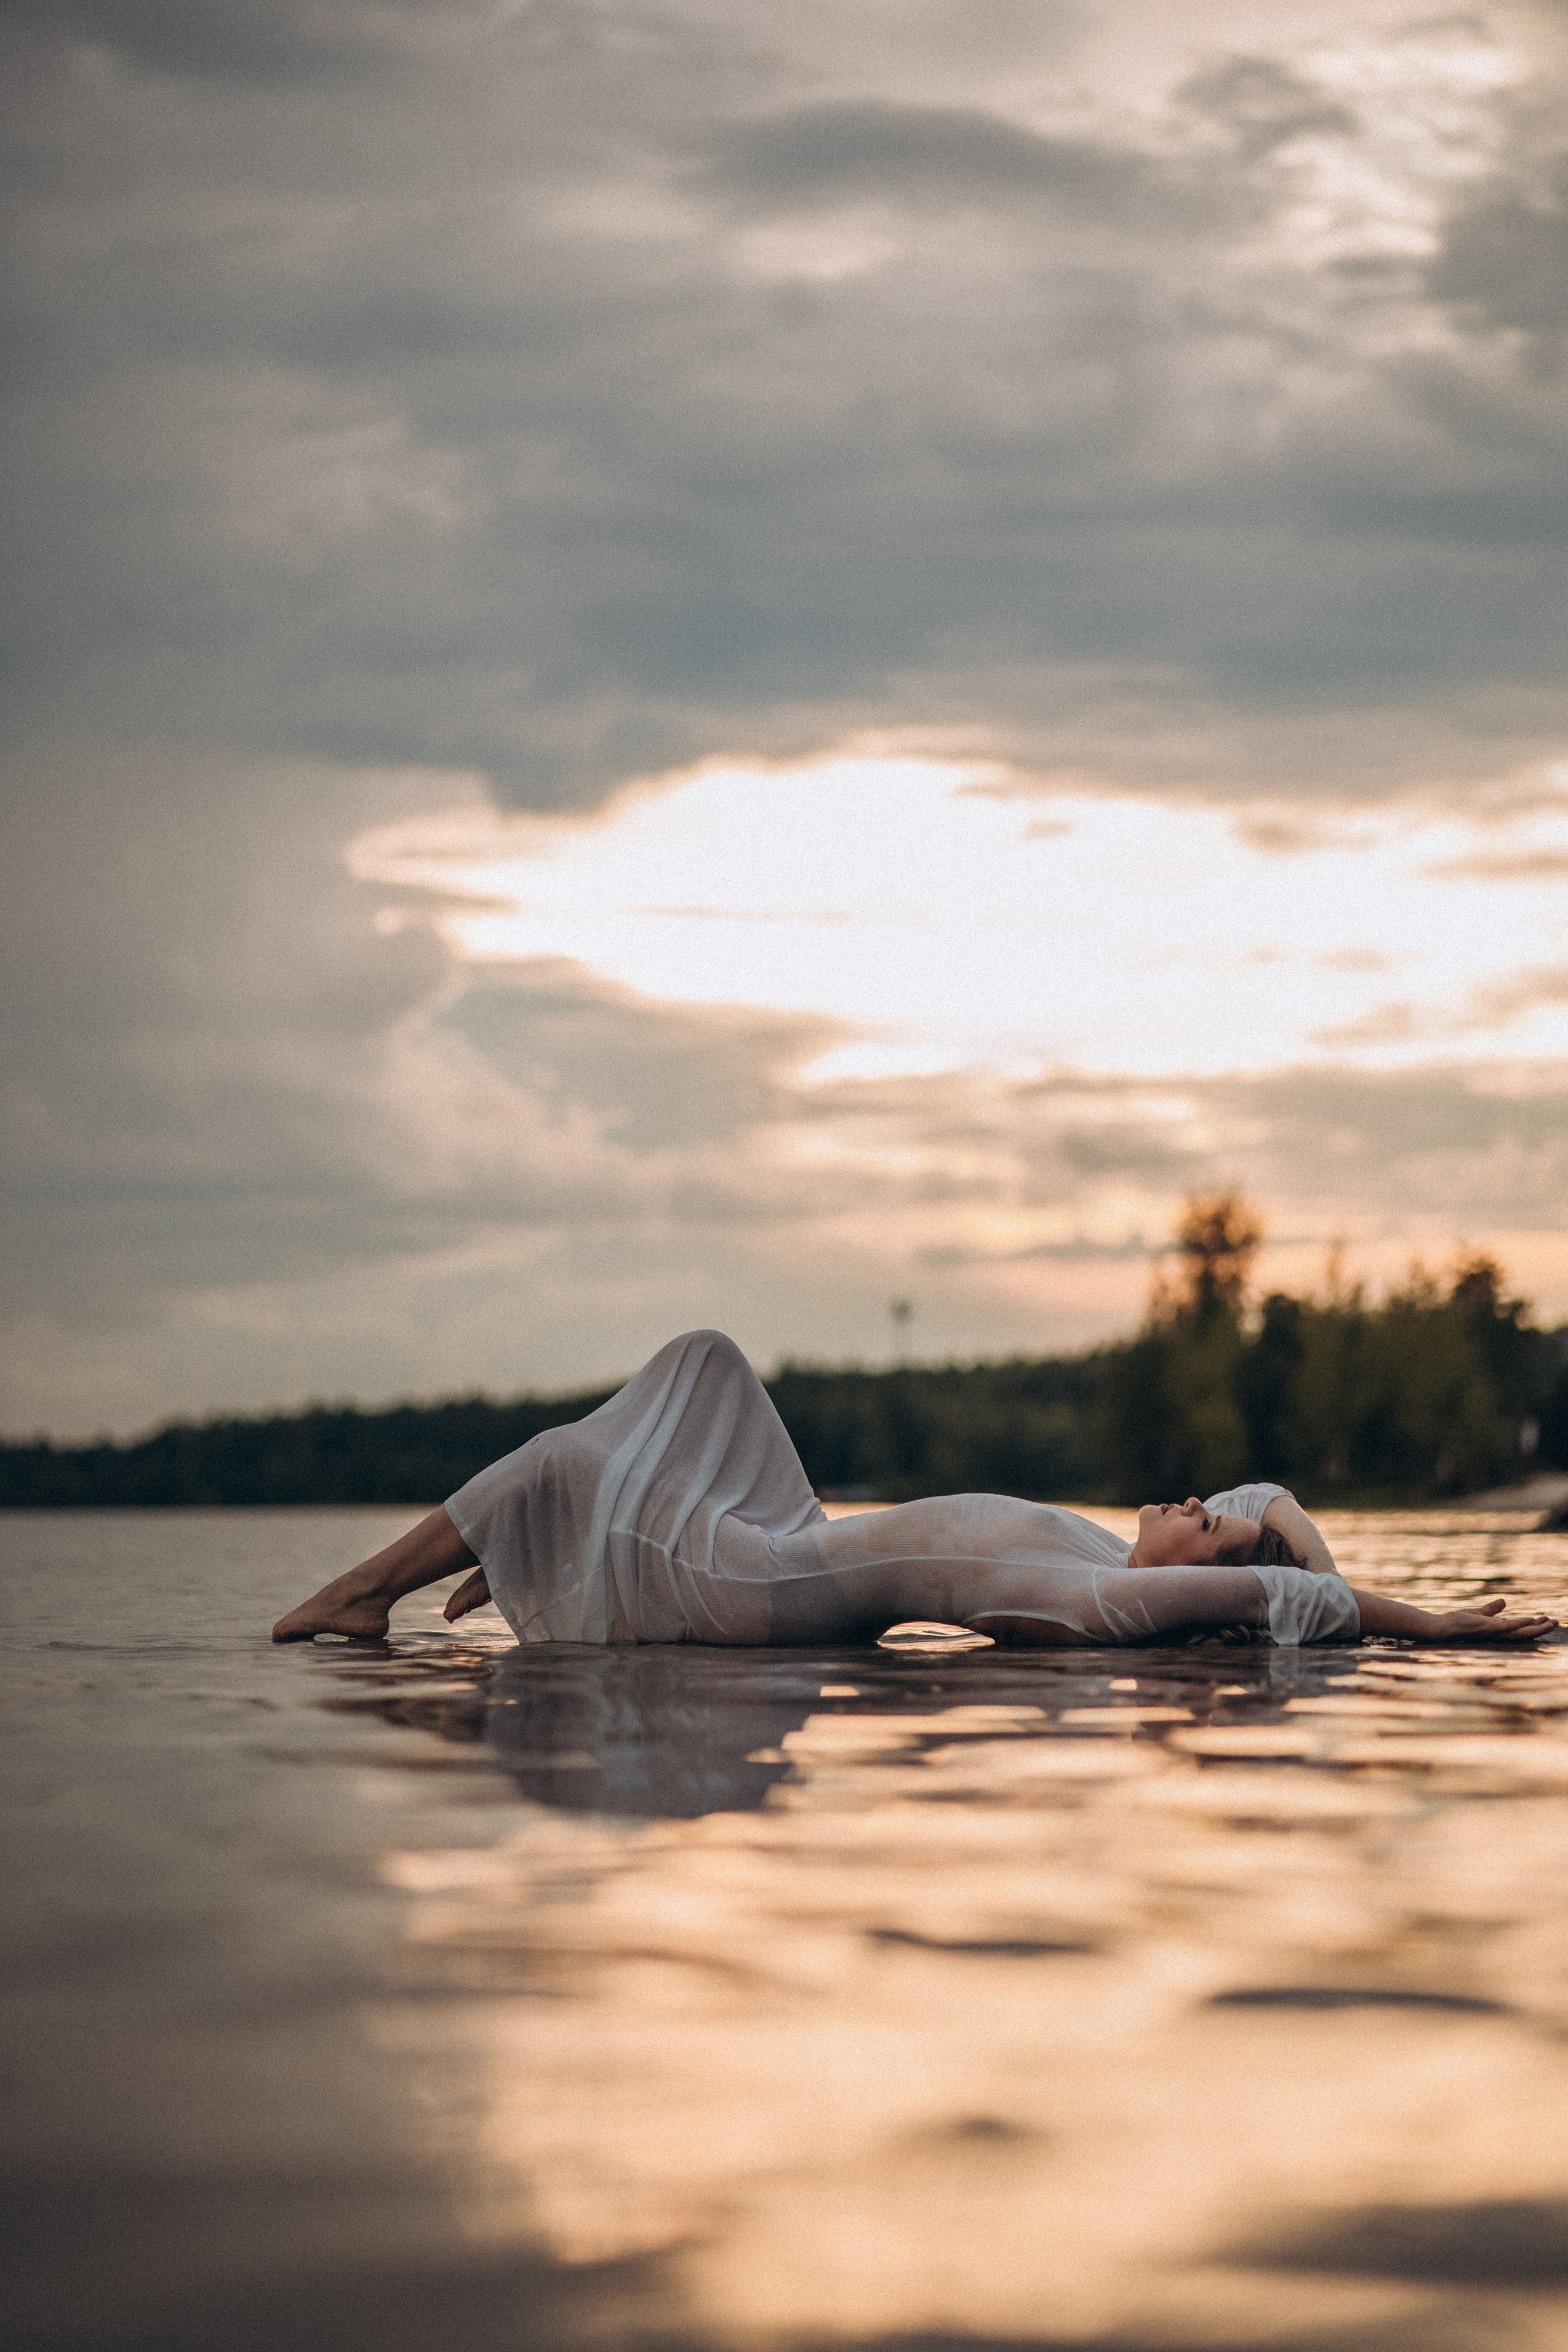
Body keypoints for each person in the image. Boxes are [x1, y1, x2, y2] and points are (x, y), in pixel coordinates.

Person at [271, 1329, 1558, 1651]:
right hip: (794, 1535)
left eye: (1206, 1523)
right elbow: (1266, 1501)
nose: (1196, 1499)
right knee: (708, 1361)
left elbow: (1281, 1596)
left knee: (561, 1460)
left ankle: (361, 1595)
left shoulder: (1104, 1603)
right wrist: (1291, 1533)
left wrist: (1430, 1625)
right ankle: (542, 1544)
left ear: (1206, 1588)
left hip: (757, 1585)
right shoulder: (1113, 1556)